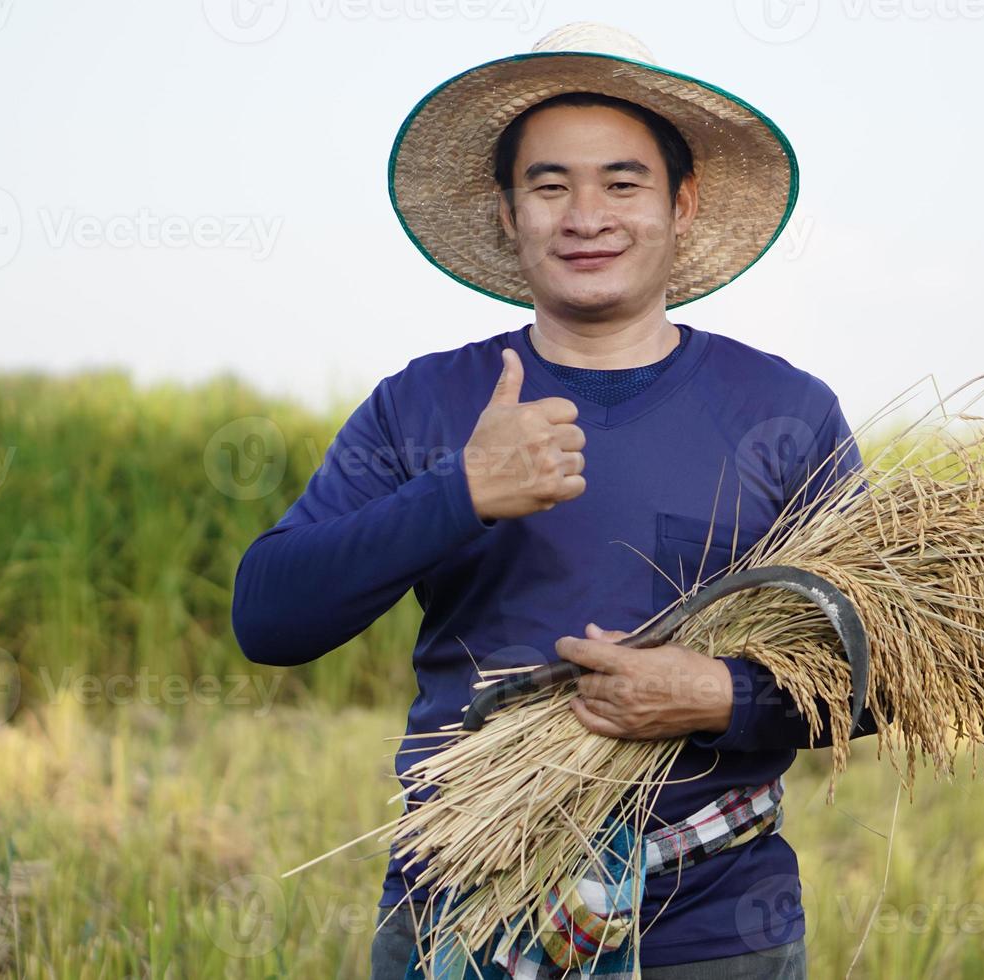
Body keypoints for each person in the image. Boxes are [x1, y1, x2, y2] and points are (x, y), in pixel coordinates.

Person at [232, 22, 883, 979]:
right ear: (507, 212)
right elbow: (269, 617)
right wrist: (460, 494)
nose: (586, 216)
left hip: (711, 933)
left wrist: (720, 695)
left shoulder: (782, 412)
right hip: (459, 910)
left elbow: (883, 675)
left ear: (682, 203)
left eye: (622, 182)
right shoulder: (426, 402)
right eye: (549, 185)